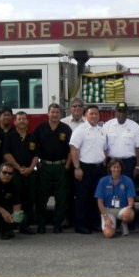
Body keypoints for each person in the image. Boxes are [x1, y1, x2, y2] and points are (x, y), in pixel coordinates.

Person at [33, 103, 72, 234]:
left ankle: (57, 224)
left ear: (60, 114)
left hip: (61, 167)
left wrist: (67, 165)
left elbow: (71, 150)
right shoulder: (40, 129)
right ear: (48, 113)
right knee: (41, 197)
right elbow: (34, 148)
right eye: (52, 112)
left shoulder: (66, 129)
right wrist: (37, 164)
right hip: (44, 167)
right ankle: (41, 224)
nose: (54, 114)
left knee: (61, 198)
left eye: (57, 112)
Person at [69, 104, 107, 234]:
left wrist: (104, 161)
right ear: (85, 115)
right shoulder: (80, 130)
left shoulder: (101, 130)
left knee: (96, 197)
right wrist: (76, 167)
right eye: (91, 113)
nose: (94, 116)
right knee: (82, 197)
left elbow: (105, 148)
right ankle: (80, 225)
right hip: (84, 167)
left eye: (96, 114)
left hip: (99, 168)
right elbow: (74, 149)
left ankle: (94, 223)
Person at [3, 111, 38, 235]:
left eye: (24, 119)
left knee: (28, 200)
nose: (22, 121)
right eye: (19, 119)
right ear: (15, 121)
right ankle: (13, 225)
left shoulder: (32, 137)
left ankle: (24, 226)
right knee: (14, 199)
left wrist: (30, 168)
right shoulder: (9, 136)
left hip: (29, 173)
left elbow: (36, 156)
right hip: (14, 173)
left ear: (27, 121)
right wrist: (18, 168)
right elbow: (7, 154)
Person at [59, 98, 85, 229]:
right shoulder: (63, 123)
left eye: (80, 106)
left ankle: (80, 219)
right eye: (74, 106)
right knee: (67, 192)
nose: (77, 108)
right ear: (70, 109)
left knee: (81, 193)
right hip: (67, 163)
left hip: (83, 163)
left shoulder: (88, 122)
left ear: (83, 108)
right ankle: (67, 218)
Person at [94, 159, 136, 238]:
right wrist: (106, 217)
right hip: (108, 210)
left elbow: (131, 200)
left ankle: (124, 224)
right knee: (108, 234)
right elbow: (99, 202)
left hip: (121, 209)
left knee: (130, 214)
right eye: (114, 167)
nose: (116, 169)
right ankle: (112, 225)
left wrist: (129, 208)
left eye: (118, 167)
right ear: (110, 168)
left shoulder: (128, 181)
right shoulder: (103, 181)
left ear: (121, 168)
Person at [103, 102, 139, 180]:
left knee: (127, 186)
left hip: (128, 164)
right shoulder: (107, 125)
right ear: (115, 112)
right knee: (111, 186)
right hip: (111, 162)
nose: (121, 114)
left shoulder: (135, 126)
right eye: (119, 111)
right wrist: (104, 162)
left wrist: (138, 166)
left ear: (127, 113)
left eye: (124, 112)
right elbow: (103, 146)